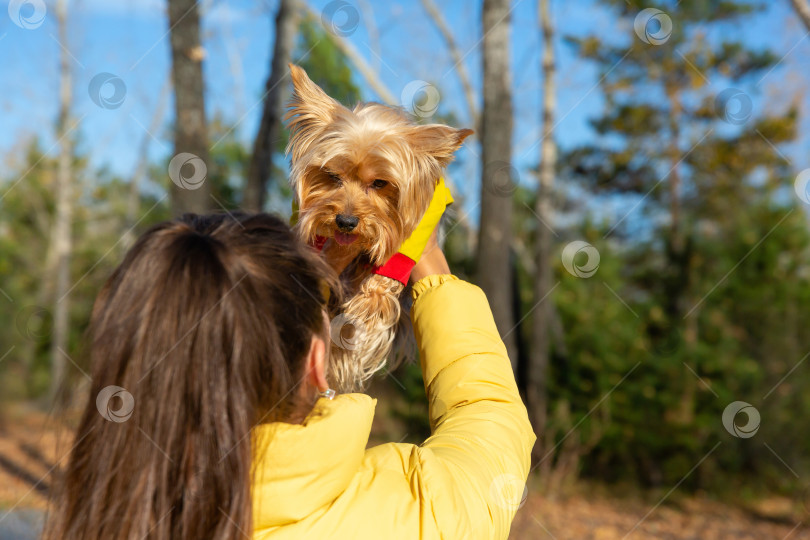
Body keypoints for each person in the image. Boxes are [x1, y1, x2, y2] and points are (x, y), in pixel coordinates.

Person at [42, 211, 535, 540]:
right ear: (317, 363)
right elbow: (489, 421)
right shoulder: (412, 514)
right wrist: (428, 260)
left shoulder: (103, 517)